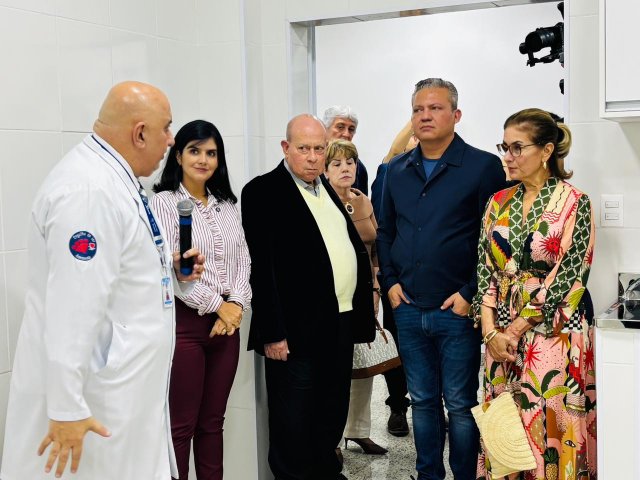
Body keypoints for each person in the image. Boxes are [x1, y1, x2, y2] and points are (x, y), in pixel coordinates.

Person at [0, 81, 205, 480]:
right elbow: (74, 305)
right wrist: (66, 408)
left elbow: (116, 270)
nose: (171, 139)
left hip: (123, 395)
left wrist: (169, 270)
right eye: (166, 128)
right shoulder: (89, 191)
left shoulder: (114, 179)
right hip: (96, 402)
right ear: (139, 133)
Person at [376, 78, 506, 480]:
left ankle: (465, 475)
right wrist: (390, 282)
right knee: (423, 401)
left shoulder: (483, 167)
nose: (425, 116)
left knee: (461, 404)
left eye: (435, 108)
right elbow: (385, 231)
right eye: (418, 109)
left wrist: (470, 292)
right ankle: (428, 474)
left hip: (457, 309)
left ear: (456, 114)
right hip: (408, 307)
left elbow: (494, 239)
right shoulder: (395, 170)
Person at [241, 114, 376, 480]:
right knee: (294, 419)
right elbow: (261, 267)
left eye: (319, 149)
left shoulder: (324, 189)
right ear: (286, 148)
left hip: (338, 322)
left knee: (331, 410)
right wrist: (272, 332)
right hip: (294, 331)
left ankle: (325, 472)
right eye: (304, 149)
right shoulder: (263, 191)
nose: (314, 157)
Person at [472, 108, 596, 479]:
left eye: (517, 147)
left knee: (547, 426)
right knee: (504, 428)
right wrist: (490, 333)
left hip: (553, 332)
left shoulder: (575, 202)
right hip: (500, 335)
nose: (507, 157)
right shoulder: (497, 202)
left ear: (546, 151)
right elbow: (485, 270)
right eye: (504, 147)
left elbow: (569, 277)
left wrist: (515, 330)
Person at [151, 119, 252, 480]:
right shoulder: (164, 203)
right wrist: (218, 306)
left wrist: (236, 304)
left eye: (211, 153)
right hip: (186, 325)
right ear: (178, 155)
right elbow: (172, 269)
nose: (203, 160)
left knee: (212, 423)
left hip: (227, 325)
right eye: (195, 151)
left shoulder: (227, 205)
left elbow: (243, 260)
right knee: (181, 425)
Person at [324, 139, 387, 456]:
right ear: (325, 170)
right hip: (334, 294)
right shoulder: (320, 202)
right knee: (335, 368)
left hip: (365, 291)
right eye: (336, 163)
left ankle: (358, 431)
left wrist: (376, 288)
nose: (345, 168)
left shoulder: (363, 201)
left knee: (364, 363)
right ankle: (331, 439)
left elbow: (375, 249)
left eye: (350, 162)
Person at [370, 120, 417, 437]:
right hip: (398, 280)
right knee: (397, 347)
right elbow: (382, 230)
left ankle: (434, 406)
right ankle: (398, 406)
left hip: (436, 283)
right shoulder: (390, 174)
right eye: (412, 139)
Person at [323, 105, 369, 194]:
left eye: (351, 129)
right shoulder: (313, 161)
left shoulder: (359, 167)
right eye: (340, 127)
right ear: (325, 128)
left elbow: (359, 199)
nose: (346, 134)